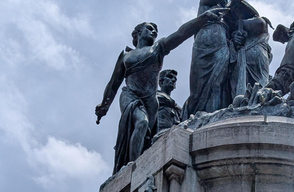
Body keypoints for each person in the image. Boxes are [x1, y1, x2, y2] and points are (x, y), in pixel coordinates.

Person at [95, 8, 226, 175]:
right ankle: (133, 169)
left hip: (150, 100)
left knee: (146, 138)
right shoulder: (126, 55)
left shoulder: (158, 48)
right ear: (138, 33)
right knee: (141, 123)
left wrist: (202, 19)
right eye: (150, 28)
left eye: (156, 30)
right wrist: (104, 105)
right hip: (130, 94)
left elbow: (180, 34)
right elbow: (114, 83)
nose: (154, 31)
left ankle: (142, 162)